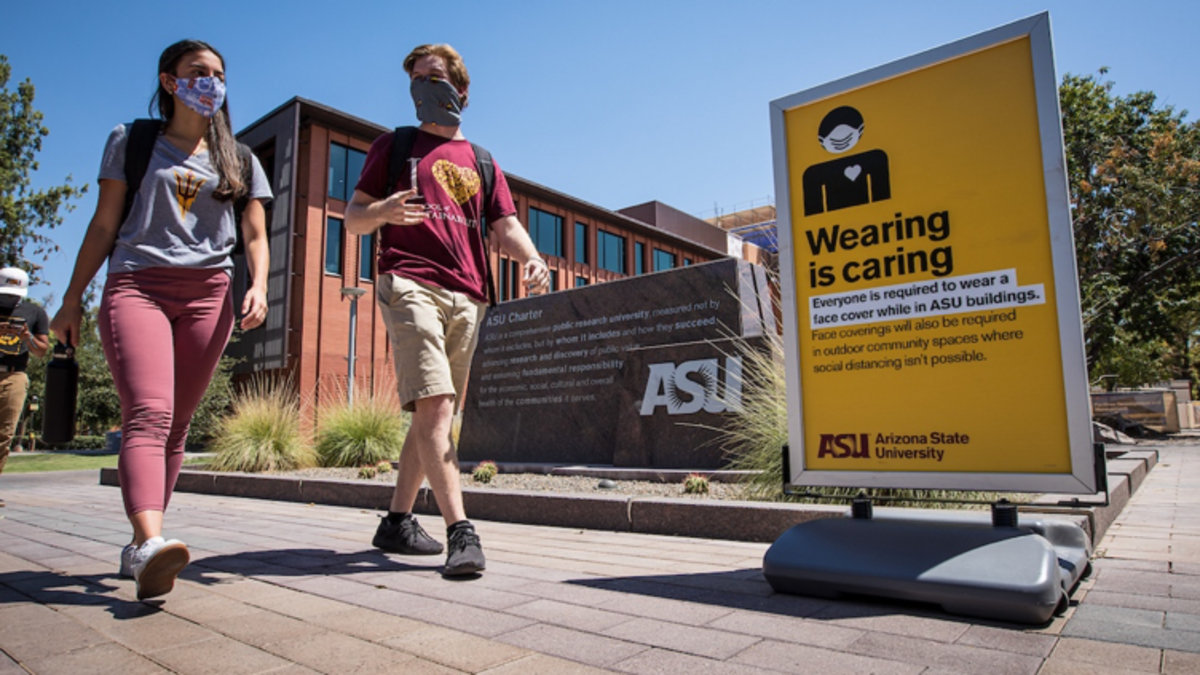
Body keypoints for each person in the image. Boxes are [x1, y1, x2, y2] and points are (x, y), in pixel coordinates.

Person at [50, 39, 272, 600]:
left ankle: (139, 544)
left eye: (219, 74)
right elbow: (104, 225)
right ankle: (153, 543)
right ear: (169, 81)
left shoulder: (239, 159)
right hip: (137, 285)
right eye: (198, 72)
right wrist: (72, 296)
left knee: (176, 425)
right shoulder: (133, 141)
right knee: (148, 412)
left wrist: (261, 286)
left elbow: (254, 234)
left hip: (208, 295)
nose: (211, 83)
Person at [346, 43, 549, 577]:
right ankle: (462, 531)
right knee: (436, 405)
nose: (422, 88)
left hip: (470, 294)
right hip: (409, 281)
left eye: (432, 78)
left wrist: (532, 259)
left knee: (434, 413)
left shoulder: (481, 160)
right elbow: (353, 217)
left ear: (459, 89)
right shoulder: (395, 146)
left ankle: (396, 521)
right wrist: (383, 210)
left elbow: (504, 224)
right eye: (415, 79)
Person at [0, 267, 51, 503]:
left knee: (4, 434)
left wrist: (26, 337)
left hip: (14, 375)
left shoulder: (35, 312)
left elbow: (42, 350)